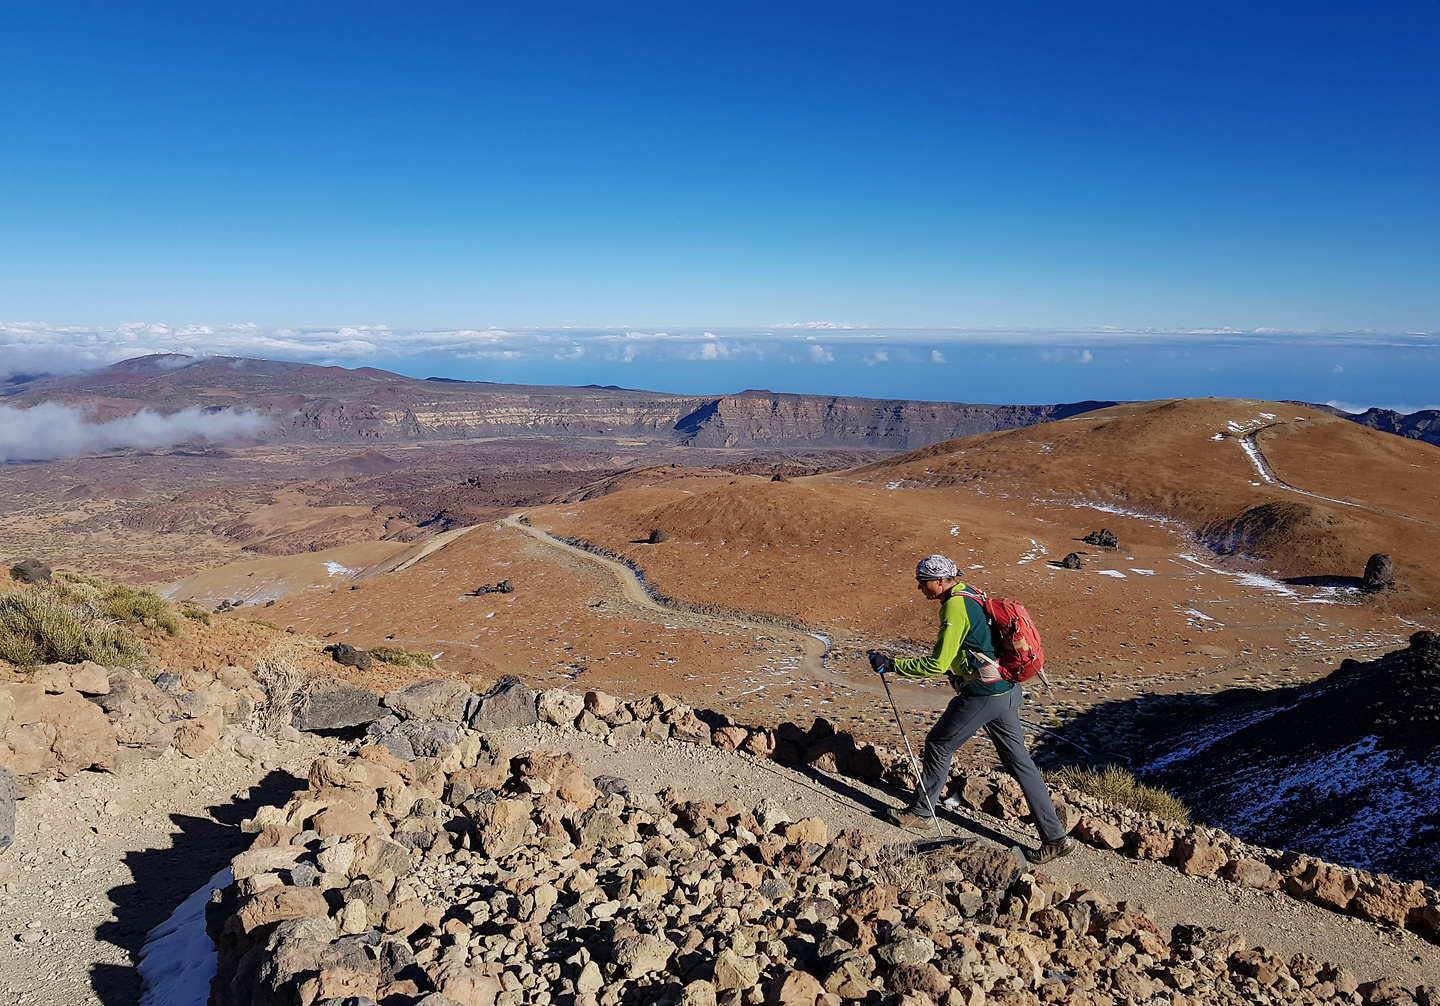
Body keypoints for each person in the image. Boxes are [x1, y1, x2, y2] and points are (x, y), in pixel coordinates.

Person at [868, 553, 1077, 865]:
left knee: (939, 743)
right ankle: (1056, 838)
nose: (920, 588)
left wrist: (893, 664)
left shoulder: (954, 606)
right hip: (1005, 688)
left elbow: (938, 663)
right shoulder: (972, 593)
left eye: (924, 582)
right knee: (1020, 762)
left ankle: (921, 813)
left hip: (983, 693)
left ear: (941, 581)